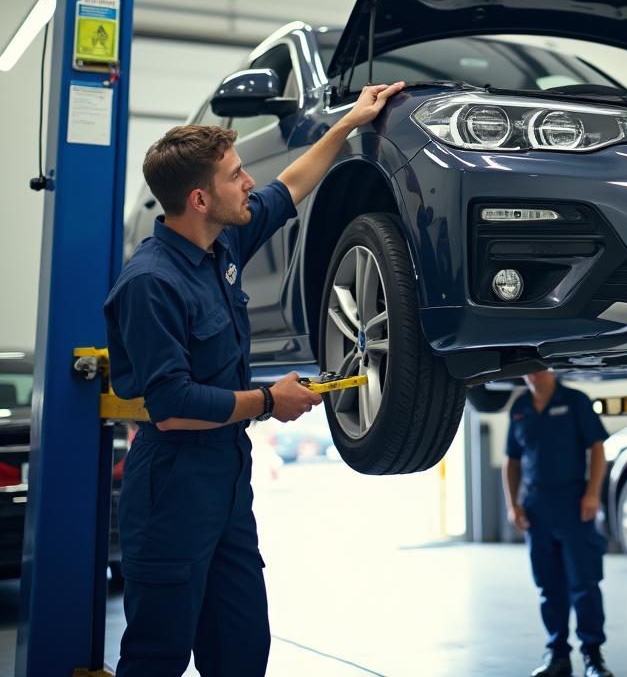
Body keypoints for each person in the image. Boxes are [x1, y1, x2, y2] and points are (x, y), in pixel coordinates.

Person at [105, 80, 404, 677]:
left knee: (241, 649)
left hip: (225, 478)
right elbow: (170, 404)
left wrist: (348, 125)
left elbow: (291, 185)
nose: (249, 183)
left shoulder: (224, 240)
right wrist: (269, 400)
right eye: (236, 175)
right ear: (198, 197)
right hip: (172, 484)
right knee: (157, 655)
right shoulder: (151, 284)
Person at [503, 370, 614, 677]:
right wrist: (513, 504)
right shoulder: (520, 407)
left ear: (551, 369)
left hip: (573, 503)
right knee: (549, 587)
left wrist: (593, 493)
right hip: (536, 507)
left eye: (540, 367)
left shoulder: (576, 401)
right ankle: (558, 656)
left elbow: (597, 448)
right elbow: (511, 459)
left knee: (584, 583)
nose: (533, 374)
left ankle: (593, 657)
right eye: (527, 369)